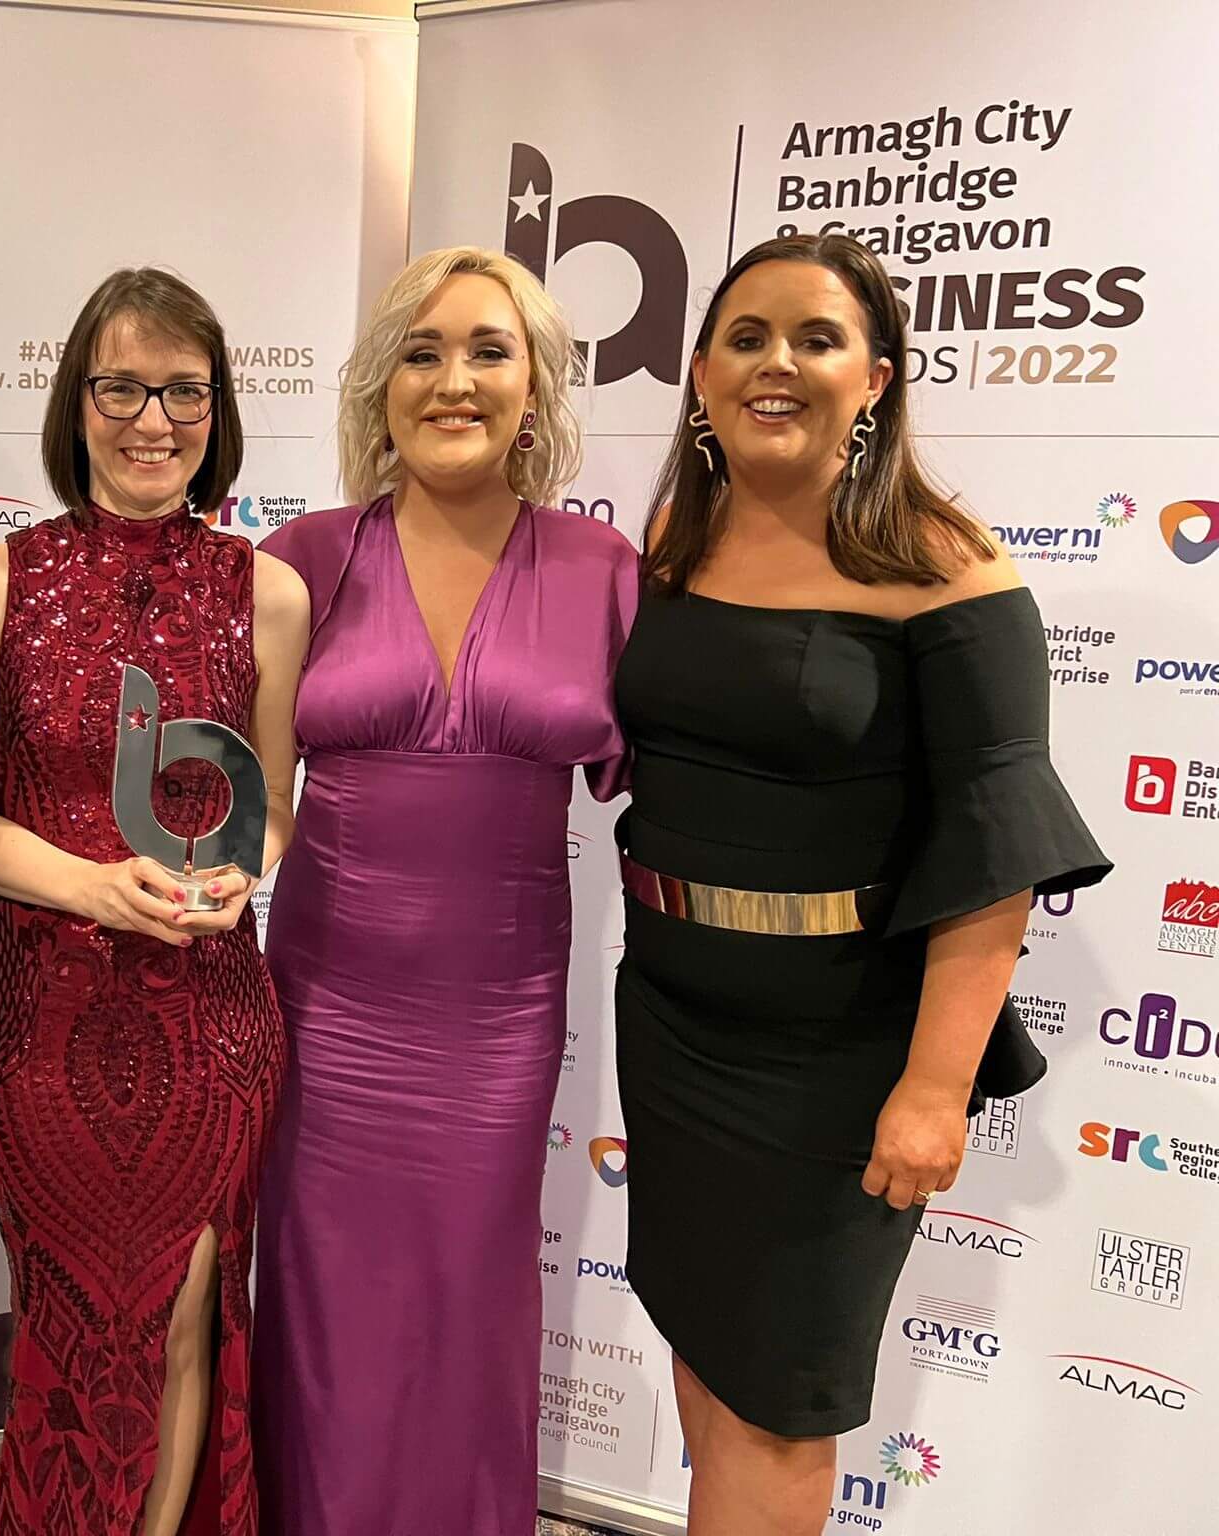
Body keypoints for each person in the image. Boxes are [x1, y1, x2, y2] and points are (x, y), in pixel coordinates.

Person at [614, 233, 1110, 1535]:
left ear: (877, 377)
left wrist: (936, 1090)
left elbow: (997, 850)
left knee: (783, 1399)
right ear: (703, 372)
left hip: (834, 1059)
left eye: (818, 340)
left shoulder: (947, 567)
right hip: (669, 1025)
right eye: (748, 335)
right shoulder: (677, 530)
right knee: (710, 1360)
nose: (779, 363)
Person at [249, 247, 637, 1536]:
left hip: (497, 1013)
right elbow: (244, 802)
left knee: (468, 1296)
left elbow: (685, 784)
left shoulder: (601, 568)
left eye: (487, 351)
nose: (452, 381)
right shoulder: (299, 557)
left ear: (536, 385)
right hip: (326, 1005)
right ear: (379, 385)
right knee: (322, 1297)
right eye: (420, 353)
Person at [0, 268, 307, 1535]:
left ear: (219, 407)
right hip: (45, 1029)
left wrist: (229, 876)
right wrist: (96, 884)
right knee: (69, 1332)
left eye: (183, 390)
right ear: (75, 400)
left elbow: (267, 812)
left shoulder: (269, 592)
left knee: (188, 1314)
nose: (153, 420)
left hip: (209, 1023)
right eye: (121, 386)